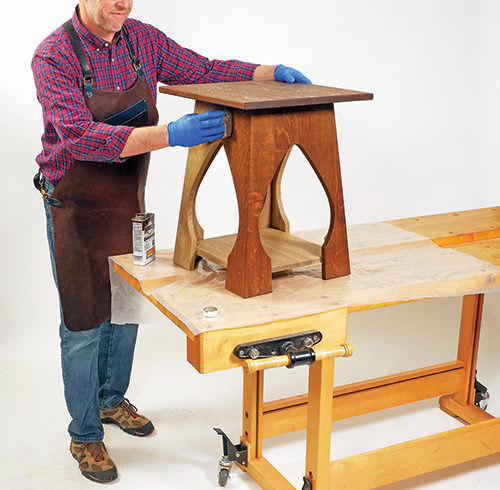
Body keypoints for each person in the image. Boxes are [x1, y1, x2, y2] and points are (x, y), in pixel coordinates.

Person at [32, 0, 311, 483]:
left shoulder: (141, 40)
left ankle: (111, 401)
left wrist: (269, 72)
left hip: (127, 203)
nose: (123, 3)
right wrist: (170, 135)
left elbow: (204, 70)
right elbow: (78, 137)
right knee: (83, 322)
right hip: (73, 208)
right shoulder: (54, 55)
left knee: (126, 310)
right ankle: (85, 434)